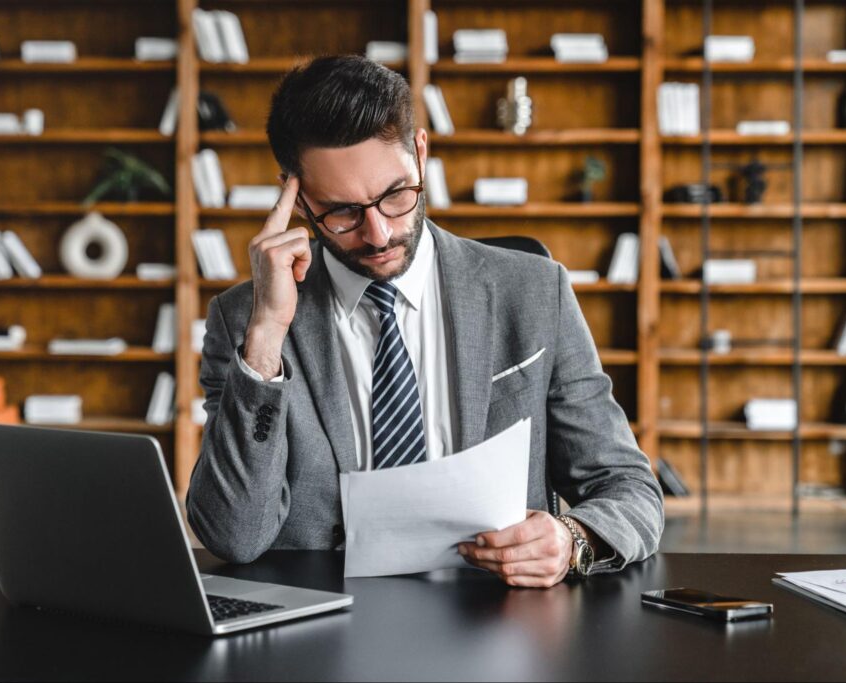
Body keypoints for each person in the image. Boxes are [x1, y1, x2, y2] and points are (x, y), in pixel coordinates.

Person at [187, 55, 663, 588]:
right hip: (325, 614)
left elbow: (629, 489)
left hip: (494, 608)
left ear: (420, 151)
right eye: (342, 211)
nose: (378, 234)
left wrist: (572, 538)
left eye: (395, 196)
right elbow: (234, 536)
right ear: (296, 200)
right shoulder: (244, 321)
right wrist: (267, 334)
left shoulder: (534, 293)